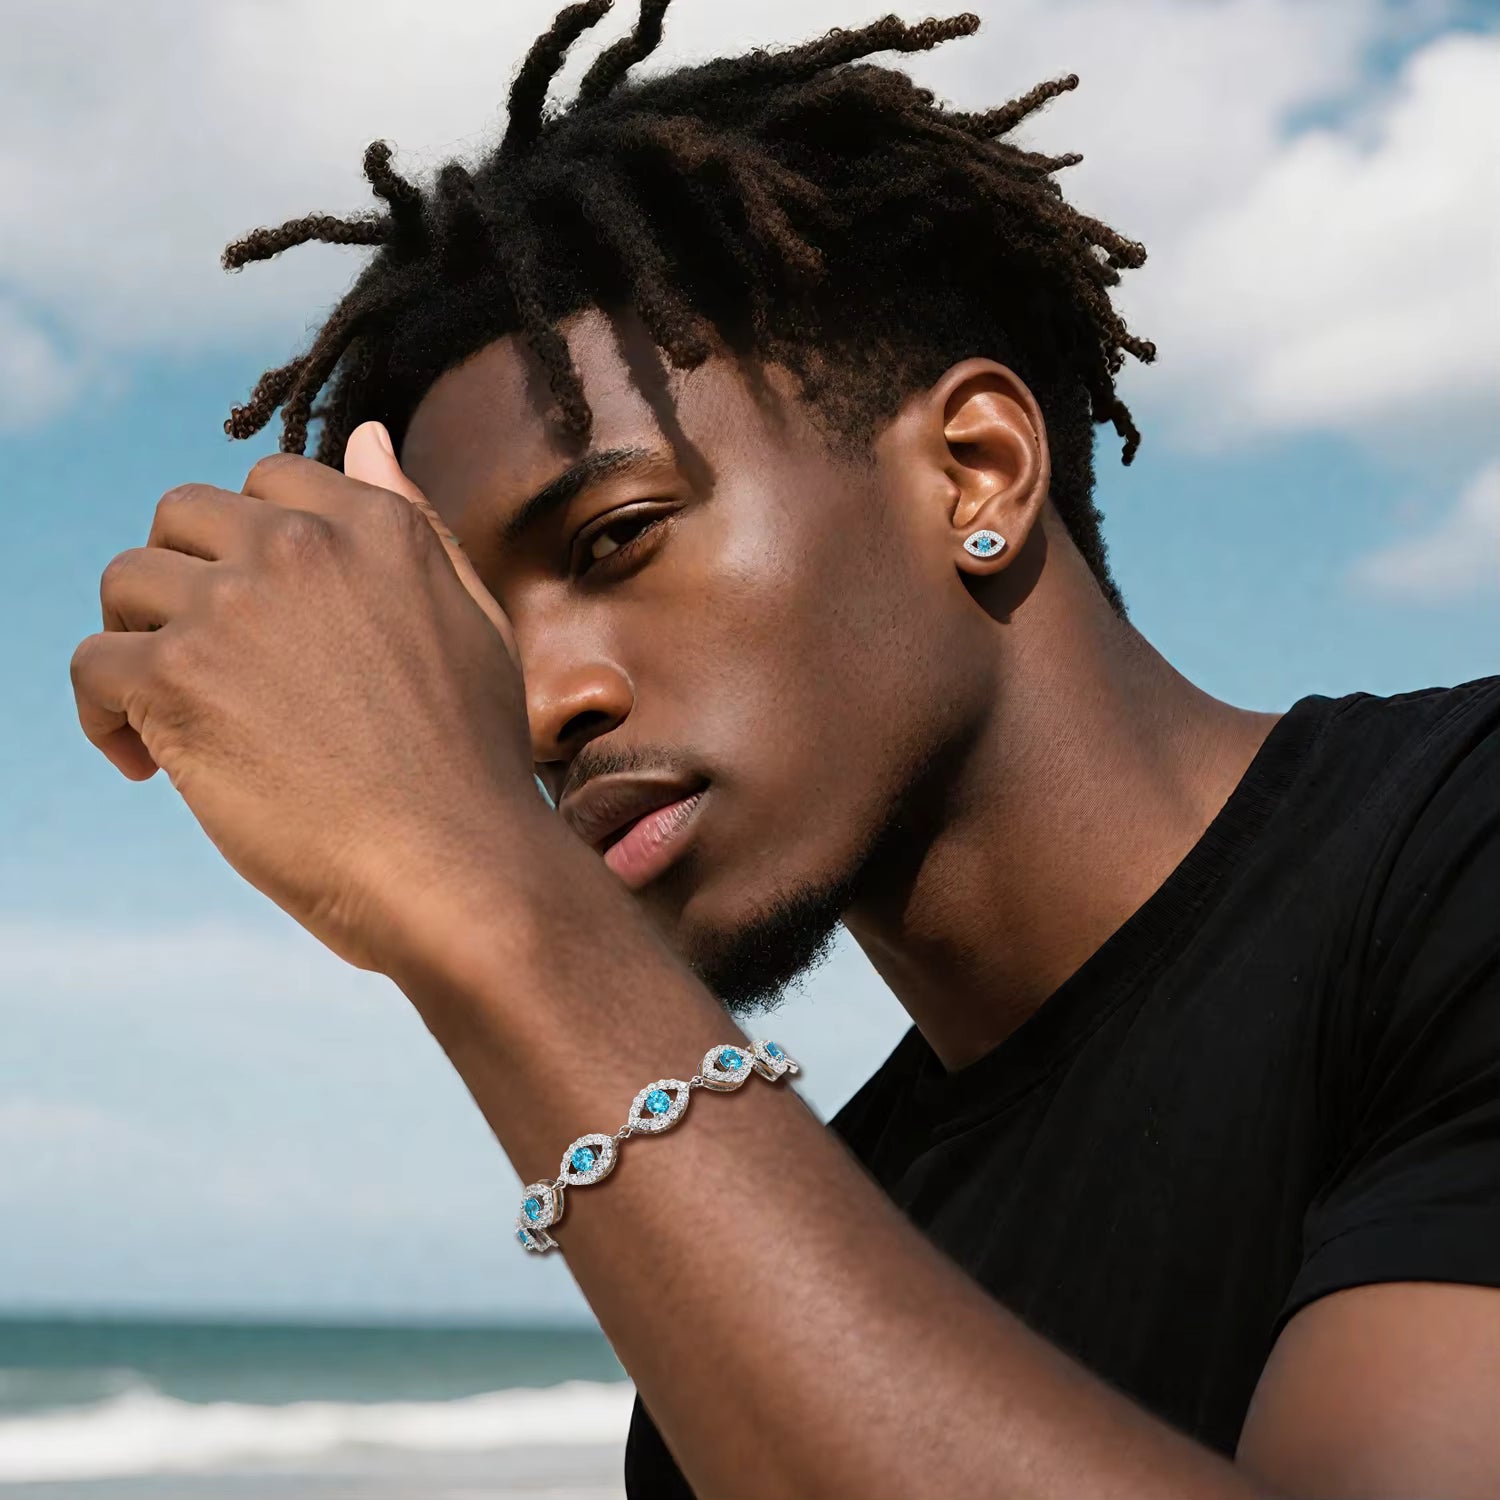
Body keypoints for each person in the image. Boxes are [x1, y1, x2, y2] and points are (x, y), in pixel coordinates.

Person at [76, 3, 1500, 1496]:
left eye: (618, 538)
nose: (540, 706)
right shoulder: (754, 1335)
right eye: (480, 646)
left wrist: (486, 899)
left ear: (974, 471)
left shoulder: (1454, 864)